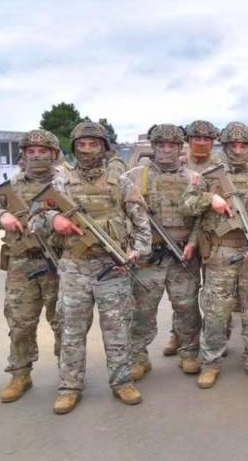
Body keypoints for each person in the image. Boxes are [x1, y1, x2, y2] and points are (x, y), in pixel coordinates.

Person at [30, 121, 151, 414]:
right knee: (71, 329)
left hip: (113, 267)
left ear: (104, 147)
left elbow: (142, 224)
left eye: (93, 144)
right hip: (74, 267)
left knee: (117, 328)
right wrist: (54, 220)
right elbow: (34, 219)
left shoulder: (120, 182)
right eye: (81, 145)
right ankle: (70, 386)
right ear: (73, 148)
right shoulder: (60, 182)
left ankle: (121, 381)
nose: (87, 150)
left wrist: (137, 251)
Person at [181, 122, 248, 388]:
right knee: (216, 312)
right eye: (233, 146)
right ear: (224, 147)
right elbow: (187, 205)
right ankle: (211, 363)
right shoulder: (209, 176)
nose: (238, 150)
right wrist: (209, 199)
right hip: (220, 253)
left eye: (244, 146)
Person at [0, 130, 62, 403]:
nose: (37, 156)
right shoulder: (11, 186)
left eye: (43, 151)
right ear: (23, 156)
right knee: (20, 323)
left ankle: (69, 372)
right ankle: (20, 374)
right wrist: (1, 214)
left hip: (59, 263)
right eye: (31, 152)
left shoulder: (66, 184)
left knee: (64, 322)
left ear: (54, 154)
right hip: (22, 266)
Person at [125, 124, 202, 380]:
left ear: (181, 148)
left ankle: (189, 352)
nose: (166, 150)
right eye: (161, 145)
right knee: (142, 310)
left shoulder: (193, 178)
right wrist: (132, 246)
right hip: (149, 257)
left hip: (183, 256)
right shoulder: (136, 176)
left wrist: (193, 242)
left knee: (187, 307)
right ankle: (138, 357)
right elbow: (123, 214)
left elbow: (202, 218)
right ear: (154, 147)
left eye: (172, 145)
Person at [162, 119, 224, 357]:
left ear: (213, 142)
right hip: (178, 236)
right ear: (188, 141)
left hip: (210, 236)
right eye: (196, 138)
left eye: (206, 139)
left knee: (215, 291)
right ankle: (178, 334)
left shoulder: (220, 166)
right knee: (183, 295)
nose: (201, 143)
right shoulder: (176, 166)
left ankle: (216, 335)